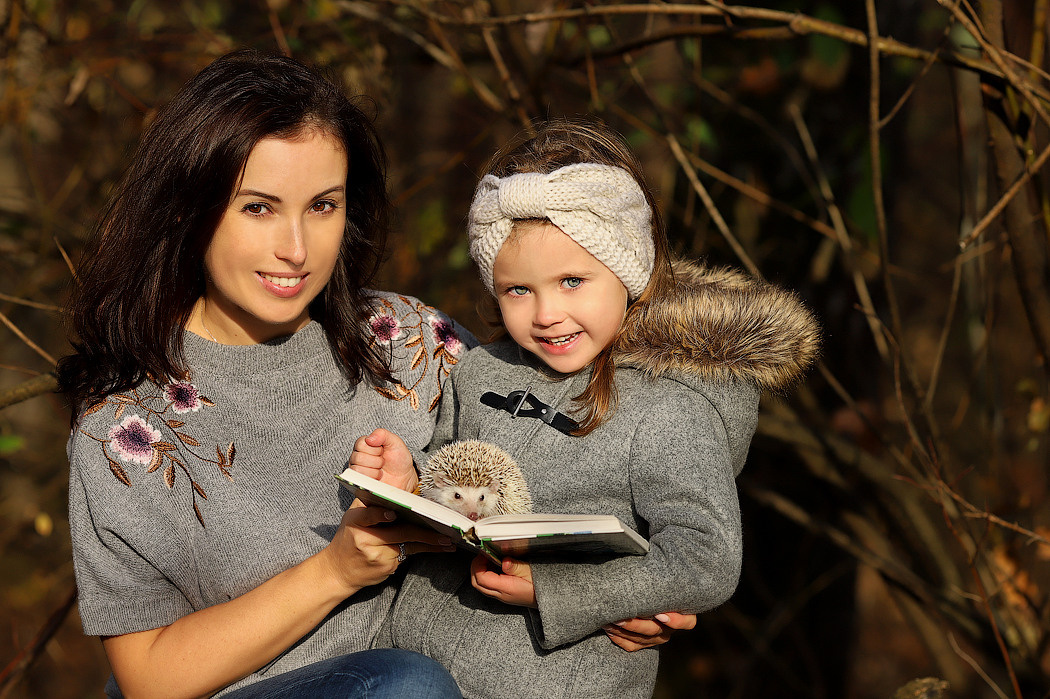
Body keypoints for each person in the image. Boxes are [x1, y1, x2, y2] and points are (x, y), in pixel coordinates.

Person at [58, 51, 686, 698]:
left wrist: (631, 587)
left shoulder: (406, 340)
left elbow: (561, 448)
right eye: (258, 208)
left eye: (323, 205)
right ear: (190, 207)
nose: (296, 248)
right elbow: (147, 676)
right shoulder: (125, 427)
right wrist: (335, 571)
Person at [350, 119, 821, 698]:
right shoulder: (479, 373)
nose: (546, 313)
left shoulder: (668, 411)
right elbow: (456, 483)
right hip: (418, 665)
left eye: (573, 281)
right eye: (518, 290)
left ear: (628, 274)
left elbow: (705, 558)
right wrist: (410, 480)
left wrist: (558, 591)